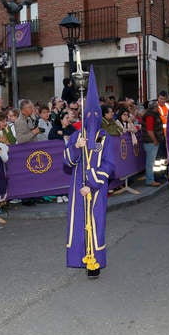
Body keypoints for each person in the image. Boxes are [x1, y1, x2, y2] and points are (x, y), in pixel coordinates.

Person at [64, 67, 115, 278]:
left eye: (96, 114)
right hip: (77, 186)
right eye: (89, 115)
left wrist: (92, 183)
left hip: (96, 187)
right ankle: (80, 258)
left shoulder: (105, 138)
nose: (92, 118)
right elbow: (66, 161)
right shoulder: (77, 135)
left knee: (95, 222)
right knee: (78, 223)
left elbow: (109, 166)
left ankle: (94, 261)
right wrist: (77, 147)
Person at [141, 100, 164, 186]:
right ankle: (150, 180)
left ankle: (151, 178)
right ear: (154, 108)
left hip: (151, 141)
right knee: (150, 162)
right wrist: (155, 140)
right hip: (151, 142)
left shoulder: (152, 115)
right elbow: (150, 130)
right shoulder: (150, 116)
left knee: (151, 161)